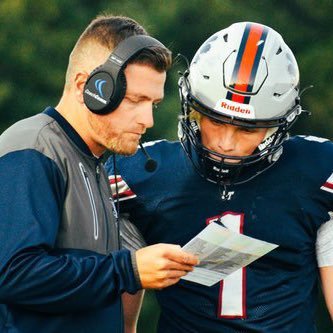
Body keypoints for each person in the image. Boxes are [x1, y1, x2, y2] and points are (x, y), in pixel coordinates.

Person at [105, 22, 333, 332]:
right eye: (214, 119)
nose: (225, 143)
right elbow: (120, 323)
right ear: (191, 105)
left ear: (280, 123)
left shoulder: (317, 171)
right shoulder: (140, 173)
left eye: (247, 129)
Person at [0, 14, 199, 333]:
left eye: (154, 104)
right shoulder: (32, 150)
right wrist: (129, 270)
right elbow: (13, 274)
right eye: (135, 100)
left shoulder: (96, 164)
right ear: (85, 87)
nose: (147, 119)